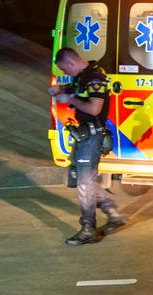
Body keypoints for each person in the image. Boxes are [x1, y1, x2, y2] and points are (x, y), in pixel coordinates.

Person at [49, 48, 127, 245]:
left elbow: (94, 108)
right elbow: (77, 87)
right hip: (84, 133)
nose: (66, 74)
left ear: (71, 64)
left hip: (92, 135)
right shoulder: (84, 74)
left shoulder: (95, 78)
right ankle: (112, 213)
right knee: (84, 180)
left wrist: (70, 100)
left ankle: (88, 229)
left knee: (84, 182)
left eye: (65, 70)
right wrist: (62, 90)